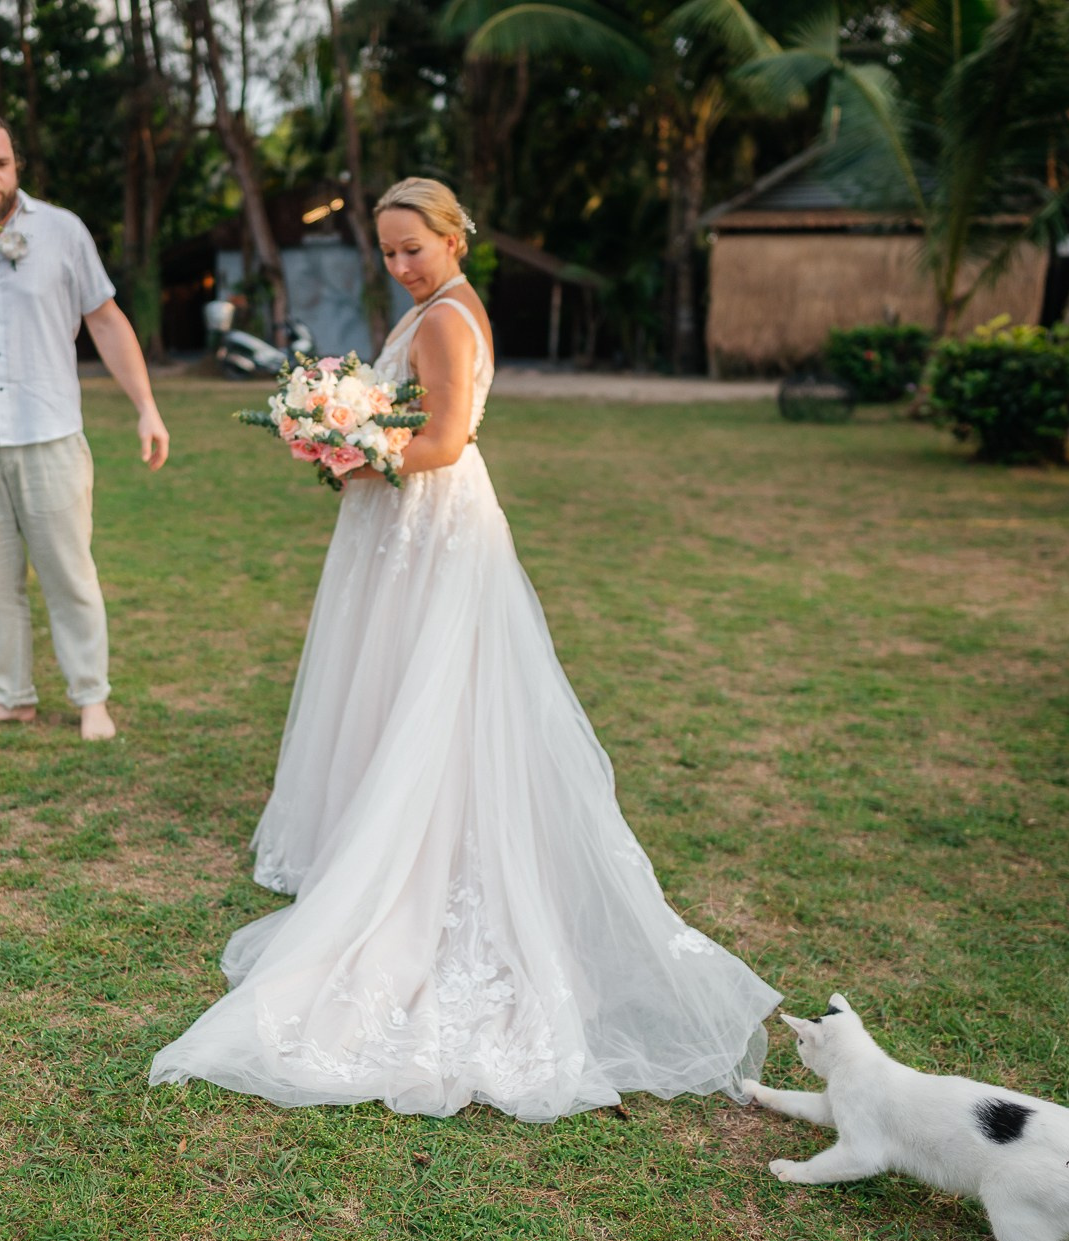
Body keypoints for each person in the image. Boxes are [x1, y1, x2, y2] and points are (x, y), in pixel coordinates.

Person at [150, 178, 780, 1122]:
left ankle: (418, 857)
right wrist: (347, 429)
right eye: (388, 251)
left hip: (432, 522)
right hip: (417, 523)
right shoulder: (440, 308)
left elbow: (444, 440)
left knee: (431, 685)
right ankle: (393, 829)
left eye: (414, 247)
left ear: (453, 238)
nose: (400, 264)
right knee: (410, 682)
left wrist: (348, 446)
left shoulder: (446, 318)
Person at [0, 109, 170, 742]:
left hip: (50, 437)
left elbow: (105, 321)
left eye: (3, 163)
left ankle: (91, 698)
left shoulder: (63, 231)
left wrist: (146, 406)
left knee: (70, 576)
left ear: (16, 164)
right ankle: (12, 697)